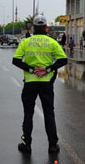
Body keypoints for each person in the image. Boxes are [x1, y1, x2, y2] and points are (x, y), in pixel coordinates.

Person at [12, 14, 68, 155]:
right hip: (46, 83)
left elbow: (16, 60)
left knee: (28, 114)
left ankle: (27, 144)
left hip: (30, 83)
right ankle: (53, 145)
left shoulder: (26, 42)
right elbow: (63, 60)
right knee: (49, 113)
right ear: (46, 28)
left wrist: (31, 69)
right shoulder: (52, 42)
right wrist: (47, 69)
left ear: (34, 27)